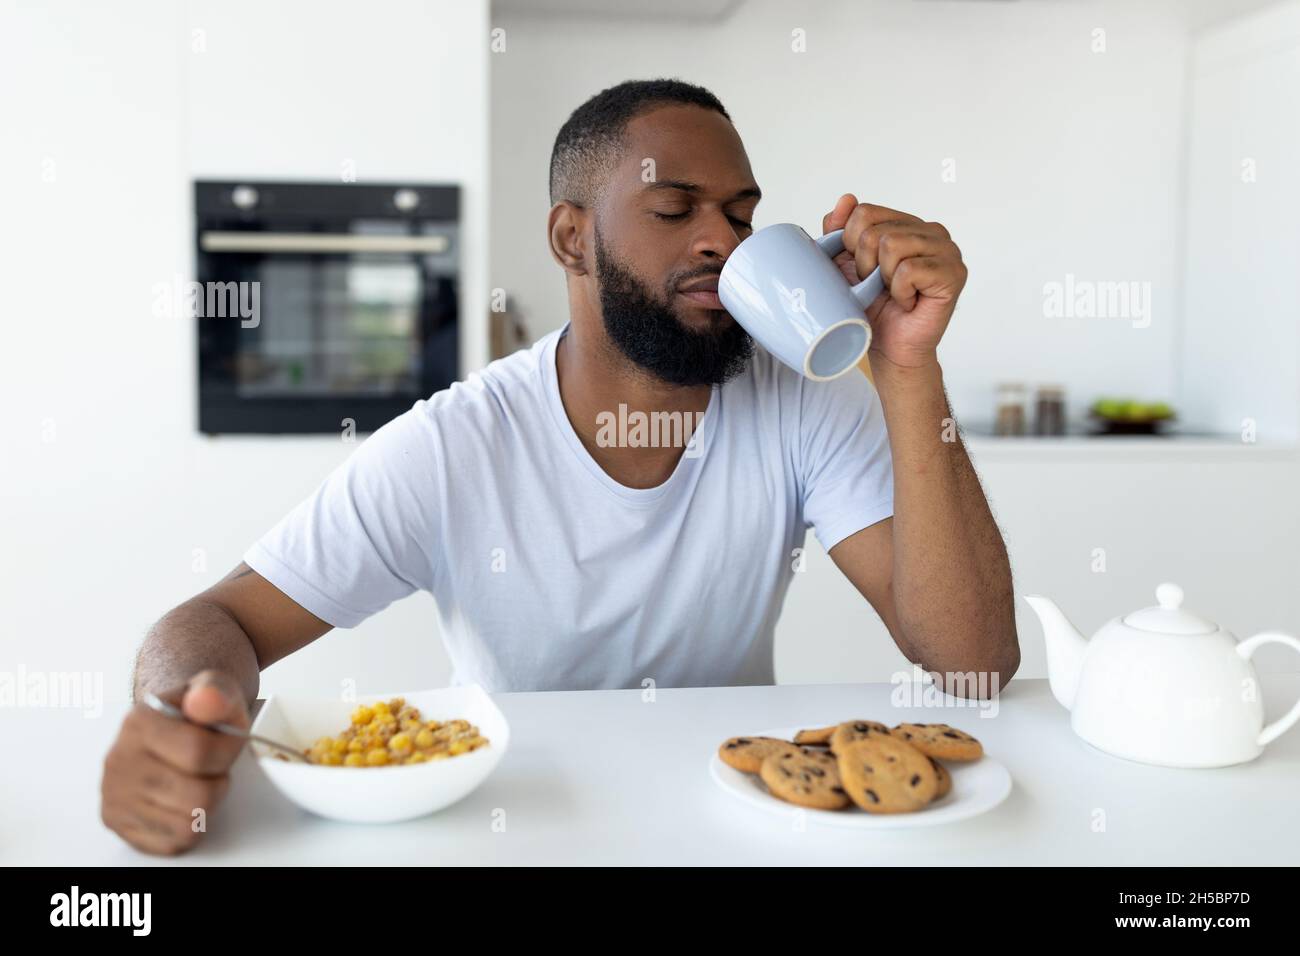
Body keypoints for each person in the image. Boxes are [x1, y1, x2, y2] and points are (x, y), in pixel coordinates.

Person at [102, 78, 1017, 854]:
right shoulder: (454, 445)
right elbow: (216, 618)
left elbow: (972, 667)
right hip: (512, 830)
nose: (722, 242)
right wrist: (177, 718)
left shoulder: (804, 401)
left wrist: (908, 369)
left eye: (742, 217)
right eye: (674, 209)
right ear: (571, 238)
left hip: (736, 823)